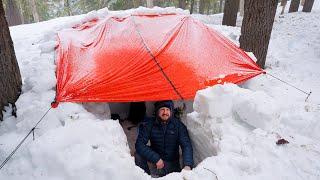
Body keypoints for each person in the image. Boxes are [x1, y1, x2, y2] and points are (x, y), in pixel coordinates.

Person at [135, 100, 193, 177]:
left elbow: (186, 145)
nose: (165, 112)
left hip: (172, 163)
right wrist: (156, 158)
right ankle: (145, 177)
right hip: (156, 161)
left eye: (167, 110)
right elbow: (139, 144)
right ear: (157, 111)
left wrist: (187, 165)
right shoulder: (150, 125)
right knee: (138, 154)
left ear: (171, 112)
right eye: (162, 109)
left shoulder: (178, 125)